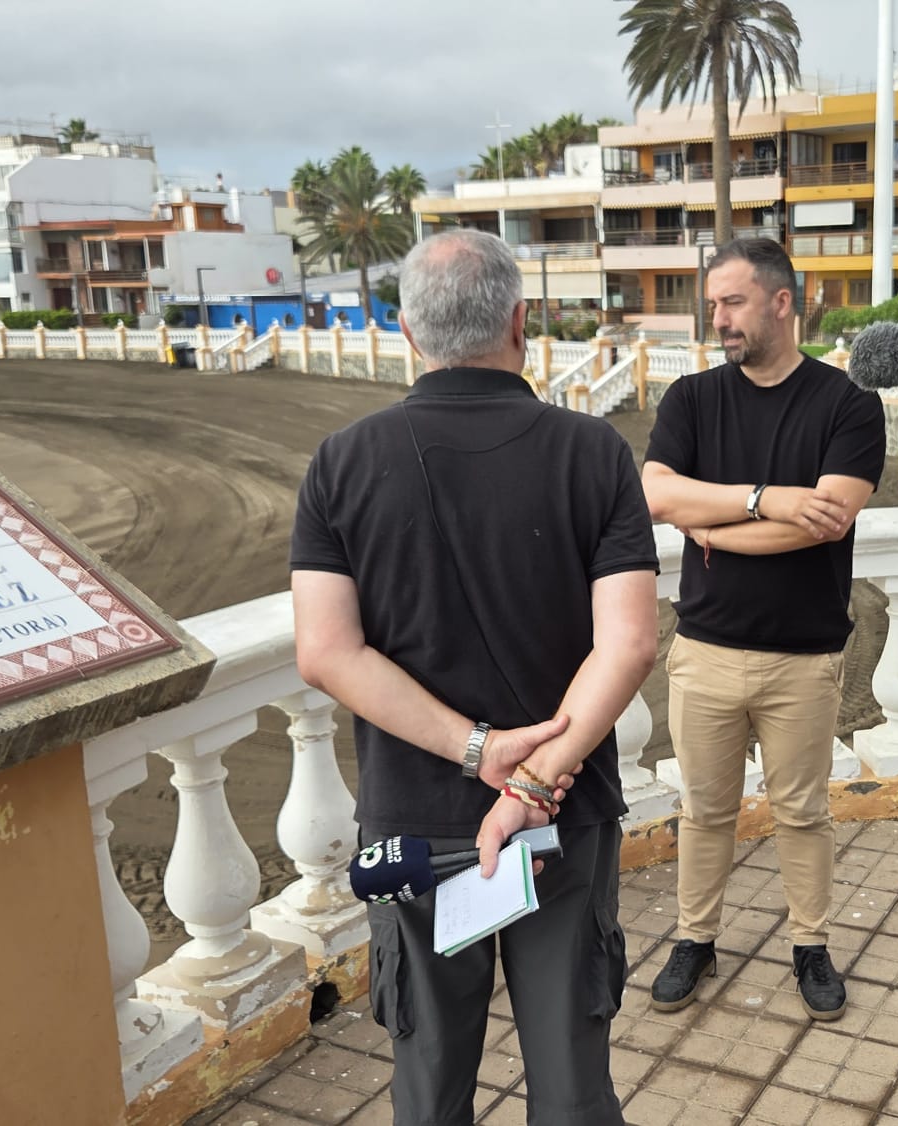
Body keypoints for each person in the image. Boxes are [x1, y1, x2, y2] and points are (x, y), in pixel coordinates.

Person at [290, 228, 657, 1126]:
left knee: (430, 1083)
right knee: (572, 1082)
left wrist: (478, 751)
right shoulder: (593, 452)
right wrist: (529, 781)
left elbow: (328, 651)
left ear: (407, 334)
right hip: (562, 814)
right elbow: (630, 645)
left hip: (415, 822)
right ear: (521, 323)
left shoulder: (340, 463)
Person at [640, 238, 886, 1021]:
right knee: (703, 811)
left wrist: (712, 522)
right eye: (713, 305)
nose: (719, 319)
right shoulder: (690, 400)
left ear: (783, 302)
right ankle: (694, 939)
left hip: (803, 657)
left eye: (733, 302)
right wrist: (767, 500)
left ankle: (811, 946)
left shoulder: (848, 404)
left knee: (802, 813)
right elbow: (653, 495)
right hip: (704, 650)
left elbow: (827, 521)